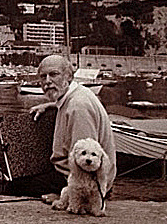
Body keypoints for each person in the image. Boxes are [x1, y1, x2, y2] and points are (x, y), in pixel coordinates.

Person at [26, 54, 117, 203]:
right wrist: (50, 105)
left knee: (14, 185)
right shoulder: (73, 96)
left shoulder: (78, 107)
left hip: (88, 182)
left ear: (68, 76)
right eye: (43, 77)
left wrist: (68, 194)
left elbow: (87, 163)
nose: (47, 81)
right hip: (68, 172)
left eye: (53, 74)